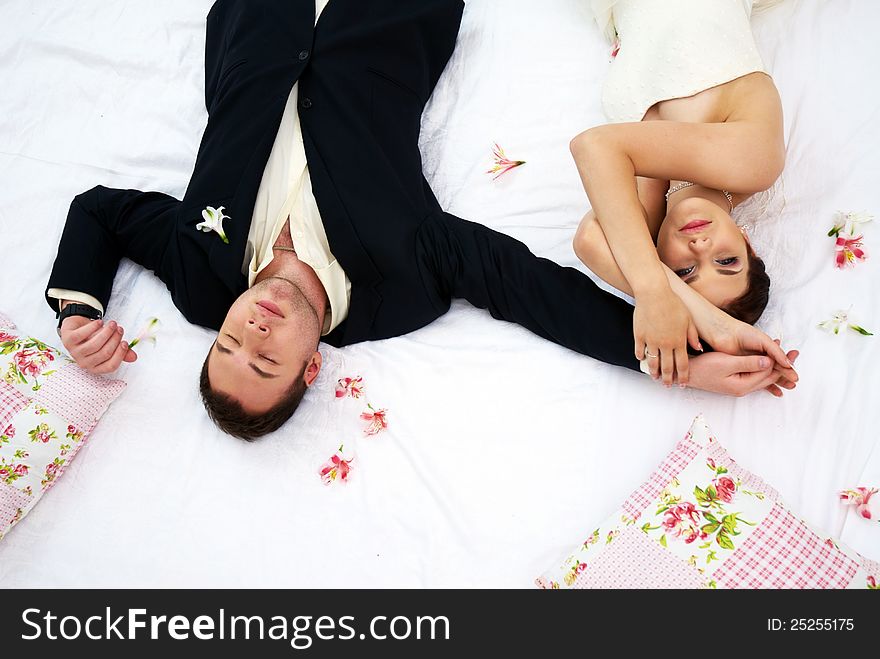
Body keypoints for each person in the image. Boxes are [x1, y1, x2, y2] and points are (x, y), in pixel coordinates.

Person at [46, 0, 797, 440]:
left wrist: (79, 305)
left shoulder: (196, 274)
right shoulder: (399, 287)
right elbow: (527, 288)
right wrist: (678, 362)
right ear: (312, 367)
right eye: (266, 358)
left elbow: (99, 213)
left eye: (230, 343)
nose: (254, 328)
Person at [571, 0, 787, 385]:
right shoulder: (754, 165)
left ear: (658, 257)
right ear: (746, 241)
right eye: (727, 261)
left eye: (685, 272)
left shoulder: (650, 201)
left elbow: (590, 239)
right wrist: (658, 292)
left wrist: (671, 301)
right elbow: (595, 146)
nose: (701, 247)